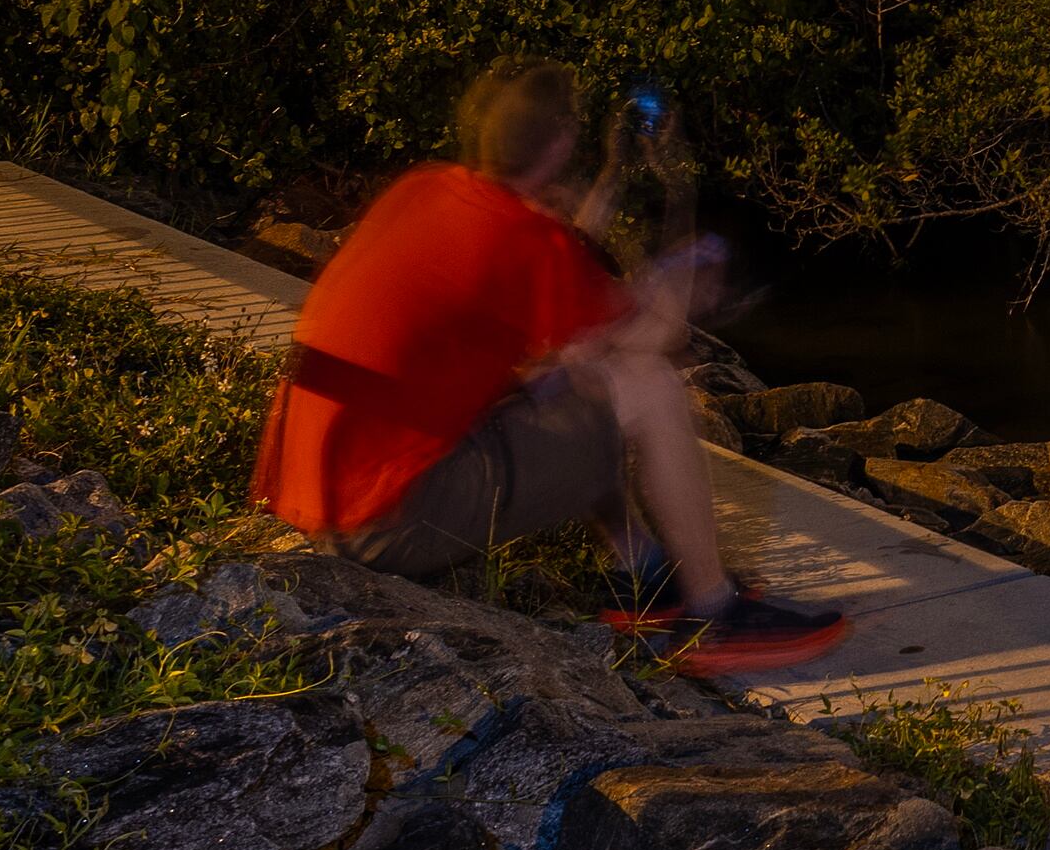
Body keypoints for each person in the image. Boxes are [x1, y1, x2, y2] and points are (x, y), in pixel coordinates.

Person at [251, 57, 847, 673]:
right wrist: (681, 200)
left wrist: (613, 177)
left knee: (572, 373)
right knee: (646, 386)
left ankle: (641, 574)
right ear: (562, 140)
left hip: (327, 495)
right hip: (389, 522)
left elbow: (559, 297)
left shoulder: (427, 189)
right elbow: (657, 334)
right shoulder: (525, 240)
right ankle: (715, 613)